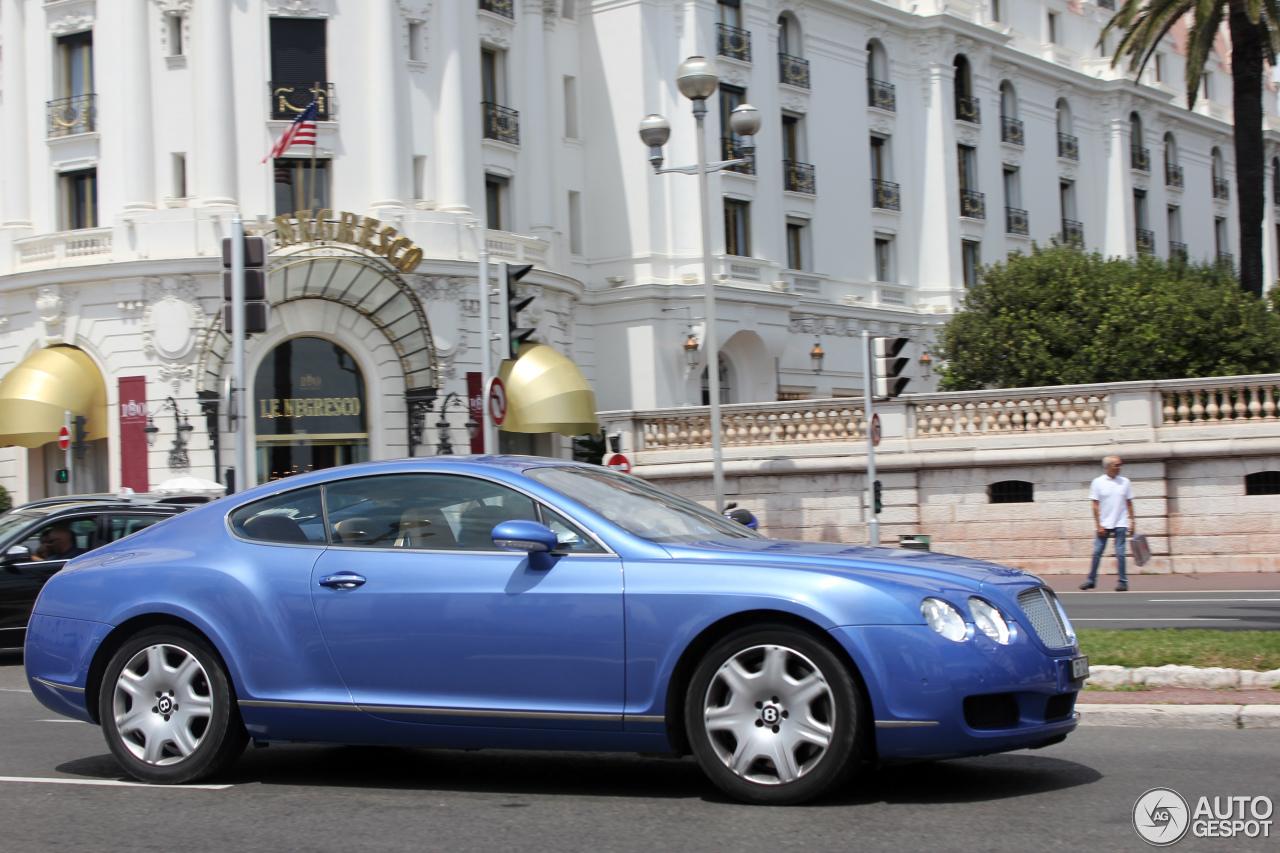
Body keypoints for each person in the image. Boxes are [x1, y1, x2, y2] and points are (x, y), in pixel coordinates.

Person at [1081, 455, 1134, 591]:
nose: (1119, 468)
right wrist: (1098, 525)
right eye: (1116, 465)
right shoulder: (1097, 482)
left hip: (1121, 522)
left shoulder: (1125, 482)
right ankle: (1091, 580)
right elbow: (1095, 505)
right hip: (1104, 524)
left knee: (1120, 553)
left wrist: (1132, 521)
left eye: (1120, 465)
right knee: (1097, 552)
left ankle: (1123, 581)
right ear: (1107, 467)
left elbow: (1129, 503)